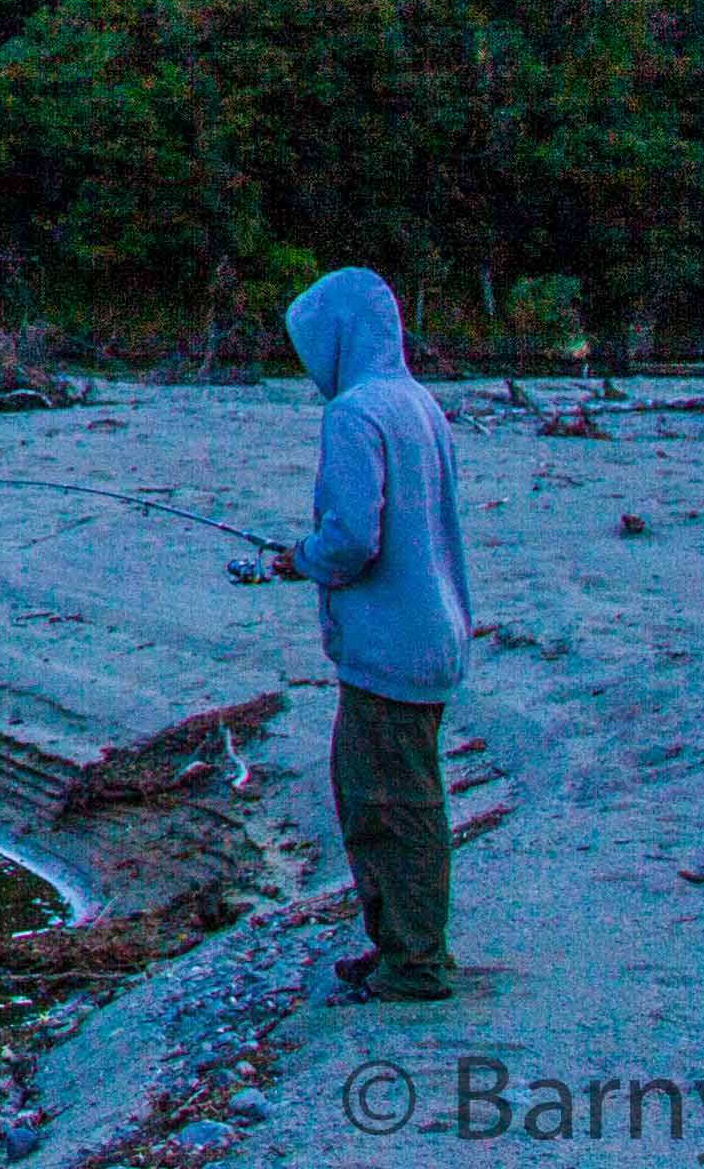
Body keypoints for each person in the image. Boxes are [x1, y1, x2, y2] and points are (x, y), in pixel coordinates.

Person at [266, 265, 469, 1003]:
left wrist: (301, 559)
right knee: (375, 796)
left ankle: (415, 964)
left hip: (392, 648)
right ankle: (397, 946)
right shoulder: (418, 402)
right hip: (433, 636)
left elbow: (352, 540)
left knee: (392, 806)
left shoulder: (354, 414)